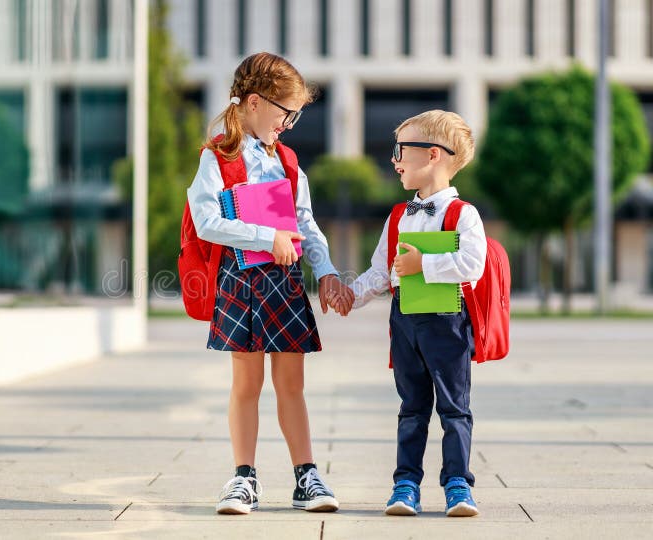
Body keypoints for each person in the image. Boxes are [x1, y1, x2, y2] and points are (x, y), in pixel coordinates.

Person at [186, 52, 354, 515]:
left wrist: (328, 273)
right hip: (241, 279)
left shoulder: (288, 161)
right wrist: (266, 235)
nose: (290, 124)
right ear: (256, 103)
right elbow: (205, 222)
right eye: (287, 113)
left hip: (283, 281)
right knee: (246, 383)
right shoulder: (216, 157)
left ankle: (307, 477)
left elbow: (306, 223)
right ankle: (243, 478)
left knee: (291, 384)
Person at [327, 110, 486, 517]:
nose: (394, 161)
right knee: (411, 408)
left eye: (400, 151)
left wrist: (425, 266)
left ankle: (457, 484)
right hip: (405, 323)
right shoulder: (398, 215)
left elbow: (473, 264)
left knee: (454, 407)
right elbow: (380, 271)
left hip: (447, 322)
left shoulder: (463, 214)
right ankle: (405, 484)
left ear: (433, 155)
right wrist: (351, 296)